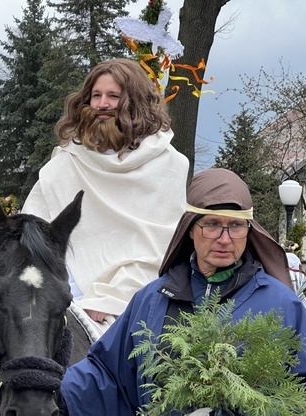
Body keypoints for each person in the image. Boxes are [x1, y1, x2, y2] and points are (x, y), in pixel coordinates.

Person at [57, 169, 306, 416]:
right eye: (211, 225)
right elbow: (109, 375)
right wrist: (51, 393)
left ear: (249, 231)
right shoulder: (154, 298)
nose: (224, 237)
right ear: (190, 228)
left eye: (235, 226)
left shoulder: (280, 305)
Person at [22, 58, 188, 333]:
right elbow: (33, 231)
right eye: (96, 96)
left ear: (135, 102)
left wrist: (111, 297)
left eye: (113, 96)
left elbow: (161, 249)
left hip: (136, 304)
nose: (102, 104)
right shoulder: (66, 160)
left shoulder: (167, 164)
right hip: (63, 299)